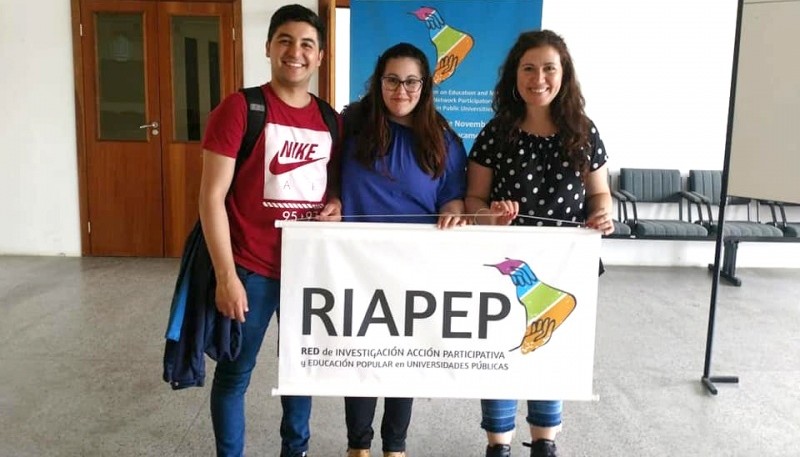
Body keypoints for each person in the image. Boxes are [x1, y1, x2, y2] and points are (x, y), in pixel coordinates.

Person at [198, 5, 341, 457]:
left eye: (306, 44)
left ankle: (294, 451)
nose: (294, 52)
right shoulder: (241, 108)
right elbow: (210, 198)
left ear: (319, 56)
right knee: (235, 374)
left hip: (307, 272)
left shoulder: (330, 119)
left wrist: (334, 206)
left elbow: (331, 191)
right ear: (268, 48)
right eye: (285, 40)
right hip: (251, 270)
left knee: (301, 371)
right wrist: (226, 276)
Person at [464, 30, 614, 457]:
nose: (539, 78)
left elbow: (600, 193)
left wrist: (603, 212)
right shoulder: (497, 133)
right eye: (528, 68)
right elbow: (474, 199)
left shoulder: (584, 132)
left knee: (552, 348)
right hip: (509, 266)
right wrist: (488, 215)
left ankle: (544, 441)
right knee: (503, 348)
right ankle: (498, 443)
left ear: (564, 75)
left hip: (568, 267)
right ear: (515, 76)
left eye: (549, 68)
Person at [339, 42, 467, 457]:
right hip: (354, 265)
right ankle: (358, 446)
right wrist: (333, 201)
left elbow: (452, 196)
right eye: (392, 80)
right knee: (359, 356)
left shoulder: (443, 139)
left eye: (412, 81)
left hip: (415, 269)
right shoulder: (350, 125)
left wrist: (452, 211)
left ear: (425, 85)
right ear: (378, 82)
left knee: (402, 358)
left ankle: (395, 447)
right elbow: (325, 178)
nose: (401, 89)